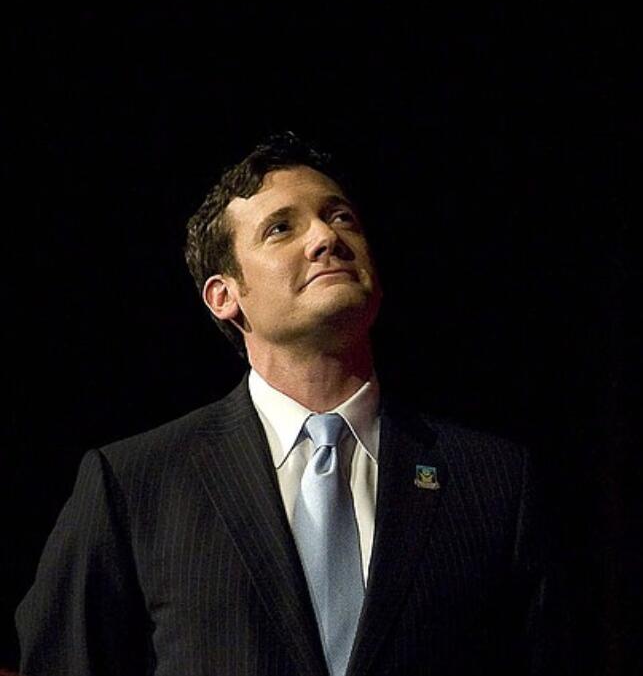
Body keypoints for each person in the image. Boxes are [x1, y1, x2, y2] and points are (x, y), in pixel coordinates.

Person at [15, 133, 553, 676]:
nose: (325, 237)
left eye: (341, 218)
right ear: (224, 296)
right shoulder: (134, 484)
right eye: (281, 228)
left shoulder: (494, 482)